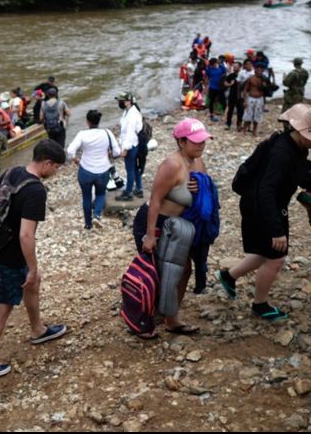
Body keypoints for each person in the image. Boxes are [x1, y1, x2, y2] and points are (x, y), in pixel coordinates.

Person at [217, 105, 311, 322]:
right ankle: (260, 305)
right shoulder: (282, 152)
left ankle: (229, 276)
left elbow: (296, 169)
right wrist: (276, 229)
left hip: (266, 204)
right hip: (261, 206)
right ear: (304, 132)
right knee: (276, 257)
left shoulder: (294, 146)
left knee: (267, 252)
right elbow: (266, 190)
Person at [0, 140, 68, 379]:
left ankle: (38, 330)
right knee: (2, 308)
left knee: (33, 284)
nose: (56, 172)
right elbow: (26, 235)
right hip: (9, 255)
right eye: (56, 167)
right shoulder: (35, 191)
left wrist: (32, 272)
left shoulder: (12, 172)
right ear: (47, 163)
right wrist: (32, 267)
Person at [133, 118, 213, 338]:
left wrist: (200, 188)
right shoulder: (172, 165)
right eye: (196, 141)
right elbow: (155, 200)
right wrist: (150, 235)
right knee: (156, 273)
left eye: (203, 140)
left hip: (177, 226)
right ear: (181, 141)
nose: (201, 145)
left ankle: (171, 317)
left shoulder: (198, 162)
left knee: (184, 269)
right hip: (154, 221)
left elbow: (205, 191)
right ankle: (141, 319)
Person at [67, 110, 120, 230]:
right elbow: (117, 152)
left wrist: (75, 160)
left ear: (87, 122)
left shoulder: (82, 134)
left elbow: (70, 151)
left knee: (86, 197)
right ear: (99, 121)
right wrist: (109, 155)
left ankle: (88, 224)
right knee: (100, 194)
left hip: (85, 170)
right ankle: (97, 215)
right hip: (103, 170)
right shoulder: (107, 133)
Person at [116, 92, 145, 201]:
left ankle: (128, 193)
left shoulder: (132, 115)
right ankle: (139, 189)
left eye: (121, 101)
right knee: (135, 167)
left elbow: (130, 133)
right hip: (133, 144)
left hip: (131, 145)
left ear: (128, 102)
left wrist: (125, 148)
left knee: (130, 169)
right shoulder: (128, 111)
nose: (119, 103)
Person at [242, 65, 267, 136]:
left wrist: (265, 86)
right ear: (255, 70)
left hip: (260, 99)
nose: (259, 72)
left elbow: (267, 91)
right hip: (251, 98)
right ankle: (244, 129)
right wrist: (245, 101)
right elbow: (245, 90)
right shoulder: (250, 78)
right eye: (258, 70)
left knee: (257, 115)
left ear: (263, 71)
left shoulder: (264, 79)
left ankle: (254, 130)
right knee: (248, 115)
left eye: (261, 70)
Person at [224, 62, 244, 131]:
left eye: (236, 67)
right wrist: (229, 84)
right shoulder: (231, 75)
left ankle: (239, 125)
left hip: (240, 95)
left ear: (240, 67)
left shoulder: (242, 75)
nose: (234, 68)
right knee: (230, 110)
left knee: (240, 111)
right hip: (232, 94)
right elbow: (225, 83)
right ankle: (228, 124)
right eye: (234, 67)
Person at [205, 58, 226, 122]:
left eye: (214, 64)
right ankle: (211, 114)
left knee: (223, 101)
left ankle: (225, 114)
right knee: (211, 101)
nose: (213, 66)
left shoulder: (221, 67)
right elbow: (207, 77)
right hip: (212, 87)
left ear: (216, 63)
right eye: (212, 65)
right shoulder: (209, 69)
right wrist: (206, 87)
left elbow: (225, 73)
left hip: (220, 87)